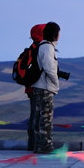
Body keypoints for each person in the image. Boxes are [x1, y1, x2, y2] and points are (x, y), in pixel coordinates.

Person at [31, 22, 61, 154]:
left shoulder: (41, 46)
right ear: (55, 34)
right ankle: (46, 146)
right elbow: (49, 68)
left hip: (38, 86)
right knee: (46, 118)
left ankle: (38, 145)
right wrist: (56, 82)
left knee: (39, 116)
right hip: (46, 87)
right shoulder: (48, 48)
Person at [24, 23, 46, 152]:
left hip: (31, 87)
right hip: (37, 87)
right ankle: (35, 145)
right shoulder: (40, 49)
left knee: (34, 115)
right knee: (37, 117)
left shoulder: (32, 48)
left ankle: (32, 144)